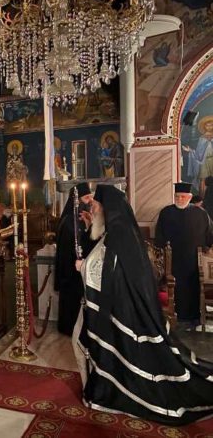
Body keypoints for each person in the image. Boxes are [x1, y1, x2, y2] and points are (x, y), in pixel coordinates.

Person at [74, 184, 213, 426]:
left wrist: (84, 267)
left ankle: (108, 390)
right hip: (120, 306)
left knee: (128, 354)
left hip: (126, 310)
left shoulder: (120, 234)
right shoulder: (115, 230)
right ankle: (98, 386)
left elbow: (111, 271)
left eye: (95, 205)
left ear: (107, 208)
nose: (92, 209)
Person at [155, 182, 213, 328]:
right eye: (177, 196)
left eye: (182, 196)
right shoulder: (166, 212)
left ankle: (194, 317)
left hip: (193, 259)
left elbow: (209, 234)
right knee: (176, 288)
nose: (179, 199)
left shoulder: (201, 213)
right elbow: (159, 236)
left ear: (189, 197)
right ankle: (177, 317)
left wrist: (206, 247)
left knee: (193, 288)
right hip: (173, 259)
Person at [55, 182, 95, 336]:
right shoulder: (68, 221)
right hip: (70, 271)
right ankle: (69, 328)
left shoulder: (81, 218)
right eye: (86, 198)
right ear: (77, 200)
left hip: (80, 268)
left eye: (90, 197)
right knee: (71, 301)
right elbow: (75, 246)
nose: (90, 201)